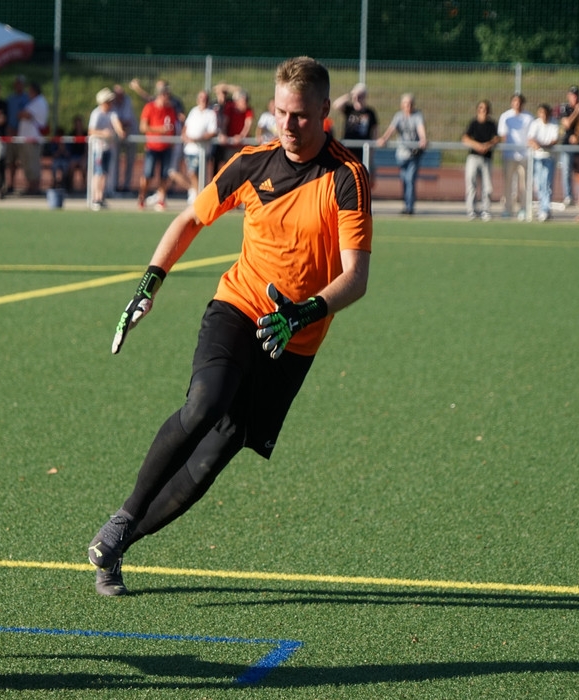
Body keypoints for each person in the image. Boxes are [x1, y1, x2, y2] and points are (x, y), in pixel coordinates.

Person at [87, 56, 371, 597]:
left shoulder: (347, 177)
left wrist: (302, 313)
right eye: (281, 113)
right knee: (205, 403)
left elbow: (355, 277)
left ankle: (116, 547)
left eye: (300, 116)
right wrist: (148, 285)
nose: (288, 125)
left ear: (323, 112)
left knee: (216, 454)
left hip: (294, 339)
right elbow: (190, 219)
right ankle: (123, 517)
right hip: (238, 307)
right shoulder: (251, 163)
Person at [376, 93, 427, 215]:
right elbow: (391, 129)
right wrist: (384, 139)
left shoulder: (417, 116)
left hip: (414, 154)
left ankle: (410, 207)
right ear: (402, 105)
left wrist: (423, 139)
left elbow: (421, 129)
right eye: (406, 104)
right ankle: (406, 204)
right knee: (404, 179)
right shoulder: (398, 116)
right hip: (402, 154)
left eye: (410, 104)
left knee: (410, 179)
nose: (408, 106)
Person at [136, 83, 178, 211]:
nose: (167, 97)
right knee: (148, 174)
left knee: (164, 175)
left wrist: (171, 139)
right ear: (160, 95)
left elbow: (173, 127)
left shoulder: (170, 109)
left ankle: (161, 199)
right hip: (152, 147)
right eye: (165, 95)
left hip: (166, 147)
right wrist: (160, 130)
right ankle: (142, 197)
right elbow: (143, 127)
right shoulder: (149, 107)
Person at [461, 100, 500, 221]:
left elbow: (496, 138)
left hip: (486, 158)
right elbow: (465, 138)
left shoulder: (491, 124)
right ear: (478, 110)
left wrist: (487, 145)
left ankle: (486, 210)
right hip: (473, 157)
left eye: (485, 109)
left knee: (487, 186)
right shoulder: (473, 123)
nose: (483, 111)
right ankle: (471, 210)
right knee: (471, 183)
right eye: (481, 108)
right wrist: (477, 146)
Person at [333, 82, 378, 185]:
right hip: (349, 147)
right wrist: (351, 94)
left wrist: (372, 148)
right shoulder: (349, 110)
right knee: (347, 172)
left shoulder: (370, 112)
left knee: (362, 174)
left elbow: (375, 130)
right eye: (357, 96)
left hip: (363, 149)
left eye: (361, 96)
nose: (358, 98)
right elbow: (336, 105)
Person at [88, 88, 125, 210]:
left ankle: (101, 197)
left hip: (108, 147)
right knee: (98, 173)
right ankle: (95, 198)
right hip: (98, 149)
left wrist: (120, 131)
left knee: (104, 173)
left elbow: (116, 123)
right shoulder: (96, 114)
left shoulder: (112, 112)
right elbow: (91, 131)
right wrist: (103, 133)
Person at [497, 93, 532, 220]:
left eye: (519, 102)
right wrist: (504, 150)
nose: (517, 104)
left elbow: (531, 136)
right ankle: (507, 209)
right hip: (509, 155)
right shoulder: (505, 116)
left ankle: (523, 209)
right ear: (512, 103)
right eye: (515, 101)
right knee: (508, 184)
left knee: (524, 185)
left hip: (524, 156)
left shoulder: (529, 117)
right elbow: (502, 135)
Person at [182, 89, 218, 202]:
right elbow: (186, 126)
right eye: (201, 98)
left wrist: (198, 139)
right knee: (191, 173)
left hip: (201, 150)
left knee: (195, 172)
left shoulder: (211, 114)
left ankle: (199, 195)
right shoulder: (193, 111)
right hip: (189, 148)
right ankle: (197, 192)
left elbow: (212, 132)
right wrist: (184, 135)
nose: (203, 100)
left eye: (205, 98)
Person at [527, 104, 560, 222]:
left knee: (546, 184)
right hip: (537, 158)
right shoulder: (535, 124)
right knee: (538, 184)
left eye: (545, 113)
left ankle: (545, 209)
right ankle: (542, 206)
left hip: (549, 157)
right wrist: (536, 144)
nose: (544, 116)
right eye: (541, 113)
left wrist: (544, 146)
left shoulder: (554, 123)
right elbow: (530, 139)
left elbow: (554, 140)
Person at [16, 81, 49, 195]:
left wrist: (21, 113)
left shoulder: (39, 102)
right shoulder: (35, 102)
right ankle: (30, 186)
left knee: (33, 163)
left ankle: (35, 187)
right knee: (27, 163)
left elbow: (25, 114)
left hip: (33, 139)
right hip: (27, 138)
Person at [557, 86, 579, 206]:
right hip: (567, 145)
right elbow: (567, 124)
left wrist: (577, 136)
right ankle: (568, 196)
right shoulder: (565, 108)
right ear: (568, 96)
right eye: (573, 95)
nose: (575, 98)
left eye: (577, 95)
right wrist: (576, 112)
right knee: (567, 171)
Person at [3, 75, 29, 195]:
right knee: (11, 160)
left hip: (23, 134)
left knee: (24, 160)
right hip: (11, 133)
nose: (18, 86)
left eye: (20, 84)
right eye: (17, 83)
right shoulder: (10, 99)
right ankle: (10, 184)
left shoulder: (27, 99)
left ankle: (28, 184)